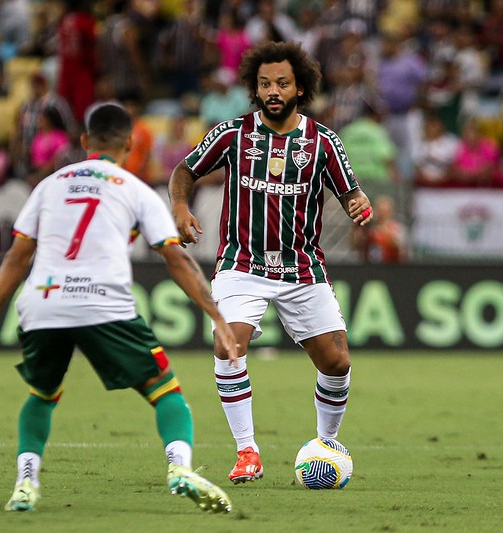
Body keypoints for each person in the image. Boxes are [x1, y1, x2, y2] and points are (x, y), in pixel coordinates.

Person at [0, 103, 237, 514]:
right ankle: (180, 468)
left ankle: (25, 483)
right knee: (166, 392)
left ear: (85, 141)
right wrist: (217, 316)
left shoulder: (49, 185)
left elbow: (17, 257)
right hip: (103, 303)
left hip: (43, 303)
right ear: (129, 143)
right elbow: (176, 259)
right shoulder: (135, 188)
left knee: (42, 394)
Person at [168, 41, 372, 485]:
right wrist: (181, 208)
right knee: (228, 345)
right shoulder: (231, 134)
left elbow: (350, 191)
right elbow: (184, 170)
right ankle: (247, 452)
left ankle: (325, 445)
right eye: (264, 84)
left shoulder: (323, 142)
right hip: (242, 262)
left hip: (301, 267)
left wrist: (359, 203)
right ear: (254, 89)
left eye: (282, 83)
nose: (273, 91)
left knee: (337, 363)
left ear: (300, 88)